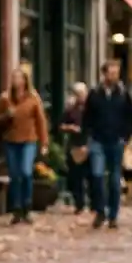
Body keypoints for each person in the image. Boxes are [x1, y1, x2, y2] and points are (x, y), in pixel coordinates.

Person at [82, 60, 132, 230]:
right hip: (98, 140)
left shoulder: (124, 94)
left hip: (116, 141)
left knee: (114, 179)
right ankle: (100, 211)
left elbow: (131, 117)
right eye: (110, 73)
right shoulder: (95, 94)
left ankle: (113, 215)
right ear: (104, 74)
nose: (113, 76)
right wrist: (88, 136)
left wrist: (125, 137)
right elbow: (87, 116)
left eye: (116, 73)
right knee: (97, 176)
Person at [0, 68, 48, 224]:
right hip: (11, 141)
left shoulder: (33, 98)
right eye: (14, 78)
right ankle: (16, 208)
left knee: (25, 172)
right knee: (15, 175)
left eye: (19, 78)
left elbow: (40, 121)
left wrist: (44, 142)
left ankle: (27, 205)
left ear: (25, 81)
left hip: (28, 140)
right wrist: (6, 116)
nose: (16, 81)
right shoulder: (5, 98)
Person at [60, 83, 90, 214]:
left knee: (90, 175)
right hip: (74, 145)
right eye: (77, 94)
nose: (80, 97)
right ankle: (79, 203)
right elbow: (61, 125)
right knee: (75, 176)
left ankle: (93, 202)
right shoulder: (70, 109)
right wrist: (69, 128)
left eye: (81, 94)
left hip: (88, 144)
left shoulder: (91, 109)